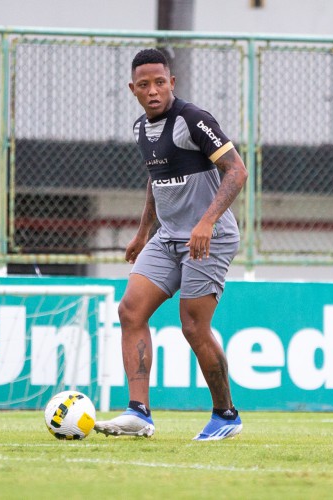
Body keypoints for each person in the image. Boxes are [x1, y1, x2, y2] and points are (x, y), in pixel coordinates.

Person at [94, 49, 248, 441]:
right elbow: (155, 180)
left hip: (208, 238)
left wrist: (207, 222)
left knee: (193, 326)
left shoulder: (193, 119)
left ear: (172, 83)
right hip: (167, 237)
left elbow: (236, 170)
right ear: (133, 89)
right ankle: (139, 412)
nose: (153, 91)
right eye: (144, 85)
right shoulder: (140, 129)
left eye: (160, 82)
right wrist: (144, 231)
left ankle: (226, 415)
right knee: (130, 310)